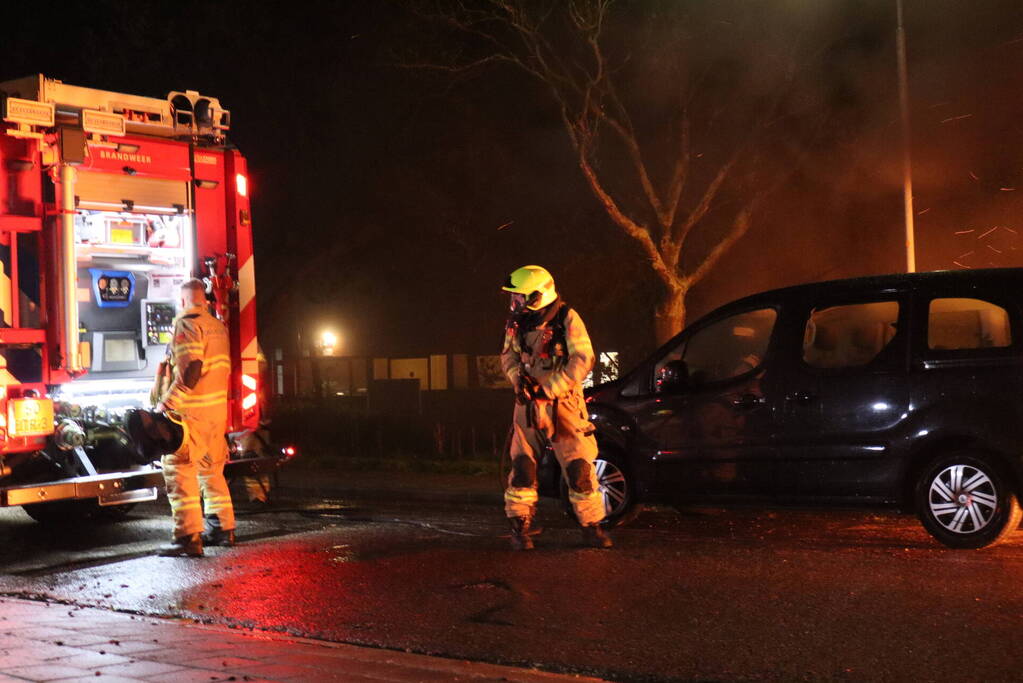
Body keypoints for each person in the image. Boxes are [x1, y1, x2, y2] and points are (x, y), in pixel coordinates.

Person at [500, 265, 611, 550]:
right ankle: (520, 527)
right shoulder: (517, 323)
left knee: (578, 468)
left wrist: (549, 389)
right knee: (522, 466)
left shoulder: (567, 318)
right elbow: (508, 356)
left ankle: (592, 527)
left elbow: (583, 358)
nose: (514, 302)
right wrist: (518, 381)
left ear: (537, 296)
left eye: (519, 296)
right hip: (527, 405)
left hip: (564, 406)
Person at [153, 279, 236, 557]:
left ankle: (188, 537)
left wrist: (166, 404)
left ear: (183, 301)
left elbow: (192, 370)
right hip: (216, 412)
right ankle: (222, 529)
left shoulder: (187, 324)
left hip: (193, 412)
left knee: (179, 469)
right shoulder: (217, 326)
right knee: (211, 470)